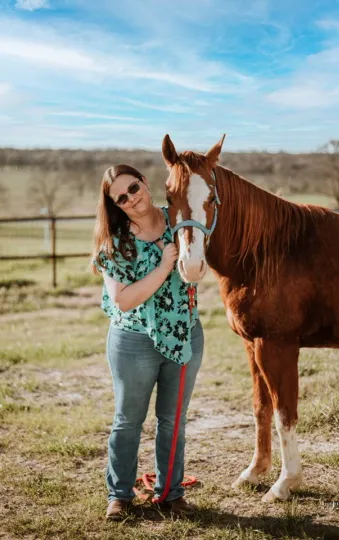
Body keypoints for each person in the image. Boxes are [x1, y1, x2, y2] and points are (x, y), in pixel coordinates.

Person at [91, 164, 204, 520]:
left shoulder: (180, 220)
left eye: (134, 188)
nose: (131, 199)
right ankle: (120, 496)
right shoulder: (115, 241)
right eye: (121, 197)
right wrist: (164, 266)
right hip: (133, 341)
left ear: (145, 182)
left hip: (185, 334)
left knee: (173, 420)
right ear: (114, 205)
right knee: (129, 420)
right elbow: (123, 299)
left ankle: (170, 494)